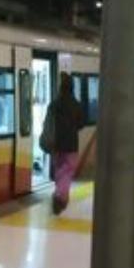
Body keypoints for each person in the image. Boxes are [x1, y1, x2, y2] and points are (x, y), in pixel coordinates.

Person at [45, 72, 85, 215]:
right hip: (71, 145)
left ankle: (61, 197)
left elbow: (48, 123)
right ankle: (59, 196)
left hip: (56, 145)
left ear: (61, 88)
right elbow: (81, 124)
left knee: (59, 170)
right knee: (67, 171)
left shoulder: (54, 104)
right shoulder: (77, 105)